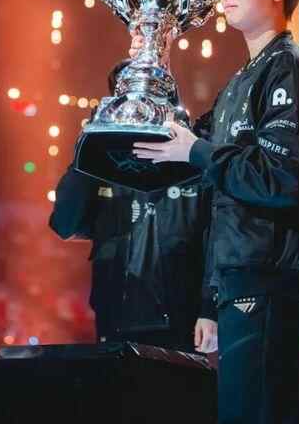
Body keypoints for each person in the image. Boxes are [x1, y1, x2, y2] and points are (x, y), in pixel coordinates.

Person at [132, 0, 299, 423]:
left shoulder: (288, 72)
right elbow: (203, 161)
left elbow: (278, 180)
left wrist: (197, 150)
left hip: (271, 277)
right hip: (240, 274)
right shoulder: (241, 80)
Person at [49, 60, 215, 354]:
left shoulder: (191, 163)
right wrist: (87, 148)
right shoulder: (98, 164)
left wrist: (209, 308)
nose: (136, 105)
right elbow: (64, 224)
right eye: (124, 94)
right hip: (114, 321)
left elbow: (214, 240)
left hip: (181, 324)